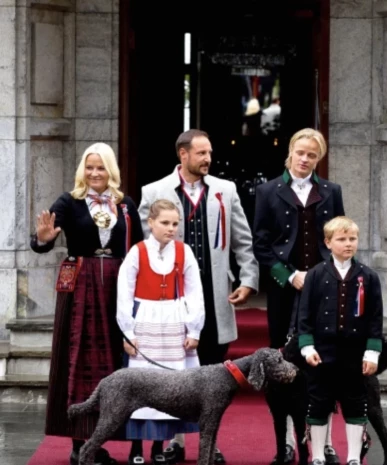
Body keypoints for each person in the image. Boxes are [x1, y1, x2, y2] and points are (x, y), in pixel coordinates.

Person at [138, 129, 259, 464]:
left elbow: (243, 240)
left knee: (212, 376)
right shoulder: (154, 191)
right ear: (183, 154)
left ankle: (210, 444)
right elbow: (145, 247)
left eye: (210, 153)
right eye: (201, 153)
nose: (208, 159)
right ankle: (176, 441)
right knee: (176, 373)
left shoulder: (226, 190)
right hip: (172, 299)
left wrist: (248, 279)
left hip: (215, 294)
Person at [30, 142, 143, 465]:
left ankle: (104, 437)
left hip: (118, 289)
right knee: (79, 360)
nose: (95, 173)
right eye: (89, 167)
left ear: (111, 171)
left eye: (101, 167)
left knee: (113, 363)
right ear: (83, 170)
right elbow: (41, 240)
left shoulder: (125, 205)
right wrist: (43, 239)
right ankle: (80, 442)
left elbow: (136, 249)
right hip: (81, 286)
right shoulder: (69, 201)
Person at [253, 128, 345, 464]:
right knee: (287, 365)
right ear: (290, 152)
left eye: (312, 155)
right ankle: (292, 440)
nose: (305, 160)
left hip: (324, 290)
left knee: (326, 363)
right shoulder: (267, 191)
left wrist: (324, 277)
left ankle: (327, 440)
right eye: (300, 153)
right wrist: (289, 276)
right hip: (284, 289)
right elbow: (260, 244)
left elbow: (340, 237)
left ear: (318, 159)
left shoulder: (330, 191)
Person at [117, 199, 205, 465]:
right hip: (146, 321)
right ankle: (135, 448)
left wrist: (195, 328)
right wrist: (127, 332)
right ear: (151, 222)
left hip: (174, 322)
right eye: (165, 223)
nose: (171, 228)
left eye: (175, 224)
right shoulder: (137, 252)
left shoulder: (184, 251)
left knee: (169, 387)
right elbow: (124, 293)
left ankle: (159, 444)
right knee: (141, 386)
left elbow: (194, 291)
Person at [298, 216, 384, 465]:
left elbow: (375, 318)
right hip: (322, 353)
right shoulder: (315, 275)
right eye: (342, 239)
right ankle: (317, 456)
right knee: (319, 403)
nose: (348, 244)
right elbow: (304, 315)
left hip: (354, 354)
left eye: (352, 239)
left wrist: (372, 352)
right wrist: (307, 346)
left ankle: (354, 457)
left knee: (355, 402)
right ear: (327, 242)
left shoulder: (368, 277)